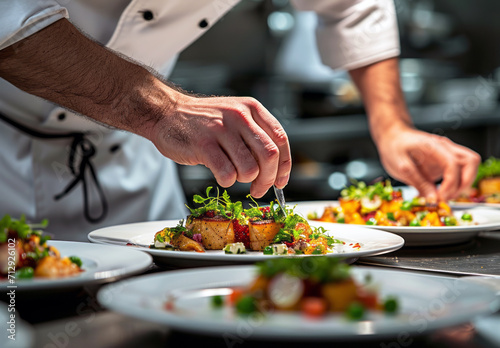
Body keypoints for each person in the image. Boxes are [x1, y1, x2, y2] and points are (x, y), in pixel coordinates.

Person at [0, 0, 479, 240]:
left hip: (130, 161)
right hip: (7, 156)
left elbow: (352, 6)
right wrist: (162, 109)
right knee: (16, 319)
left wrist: (392, 125)